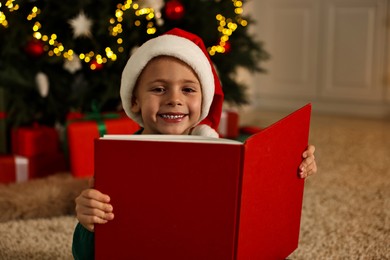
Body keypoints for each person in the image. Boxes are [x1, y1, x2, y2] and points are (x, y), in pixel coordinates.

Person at [72, 28, 317, 259]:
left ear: (204, 102)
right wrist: (88, 223)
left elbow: (265, 182)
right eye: (159, 89)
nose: (174, 99)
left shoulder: (225, 153)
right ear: (135, 101)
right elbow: (85, 255)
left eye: (188, 90)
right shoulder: (119, 160)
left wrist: (293, 164)